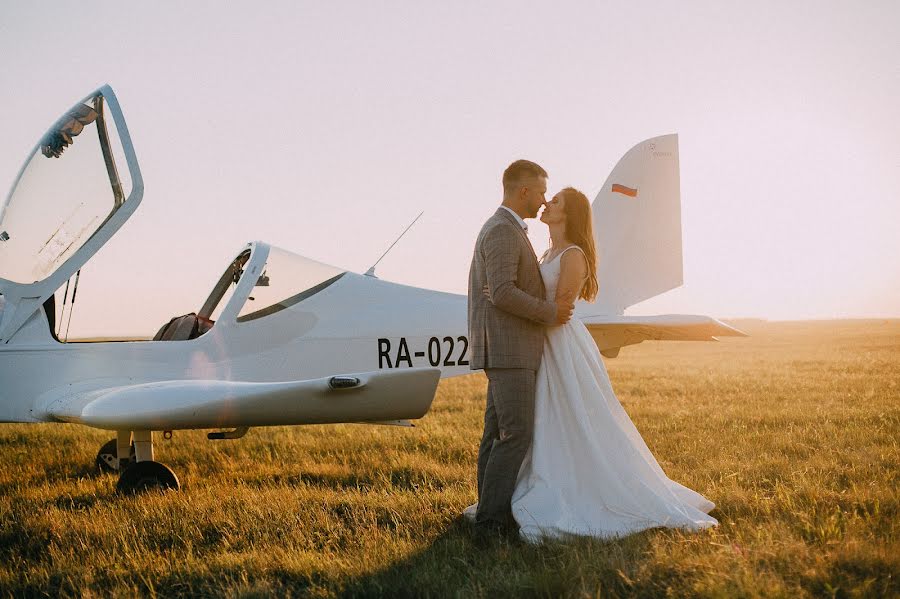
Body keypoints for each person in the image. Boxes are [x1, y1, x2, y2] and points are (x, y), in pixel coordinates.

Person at [508, 187, 718, 542]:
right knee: (547, 415)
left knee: (572, 412)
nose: (547, 203)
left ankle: (590, 490)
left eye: (555, 201)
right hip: (541, 341)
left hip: (561, 343)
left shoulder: (573, 255)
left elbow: (560, 310)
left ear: (569, 214)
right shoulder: (547, 253)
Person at [466, 160, 574, 541]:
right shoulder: (502, 230)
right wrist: (552, 312)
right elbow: (503, 291)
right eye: (542, 191)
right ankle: (491, 524)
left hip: (505, 348)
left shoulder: (506, 228)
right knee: (516, 436)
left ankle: (487, 513)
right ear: (524, 191)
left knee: (496, 435)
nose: (545, 199)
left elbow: (498, 290)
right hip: (510, 350)